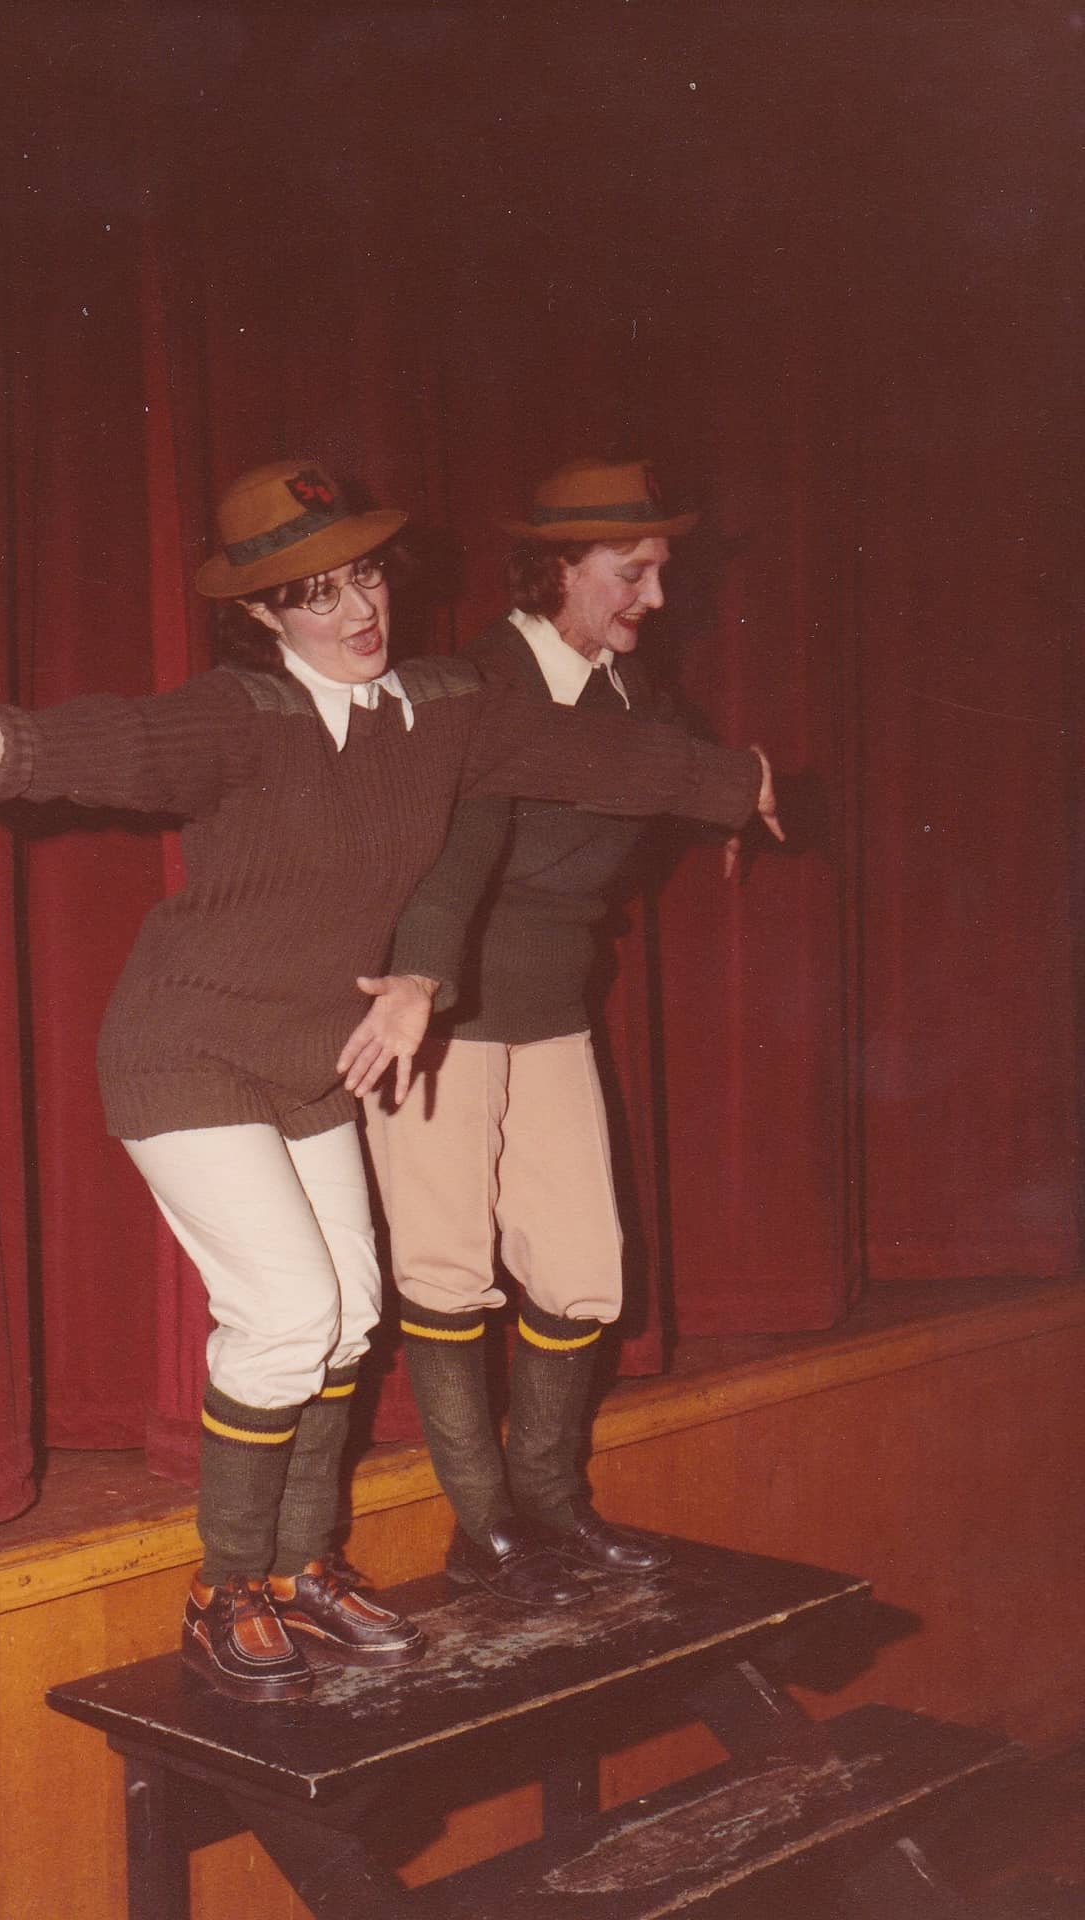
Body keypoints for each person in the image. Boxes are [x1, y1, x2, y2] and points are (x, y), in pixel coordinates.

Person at [0, 457, 775, 1703]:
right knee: (282, 1312)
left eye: (364, 577)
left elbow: (584, 754)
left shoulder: (443, 706)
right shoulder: (241, 716)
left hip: (309, 1059)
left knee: (349, 1316)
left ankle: (303, 1564)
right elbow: (130, 743)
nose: (355, 610)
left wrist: (736, 784)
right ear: (264, 615)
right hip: (186, 1050)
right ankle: (226, 1590)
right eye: (315, 594)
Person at [359, 458, 782, 1608]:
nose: (655, 597)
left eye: (660, 572)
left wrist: (723, 807)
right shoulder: (475, 683)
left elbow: (660, 779)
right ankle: (485, 1526)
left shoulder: (638, 695)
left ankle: (549, 1500)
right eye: (630, 572)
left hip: (550, 1007)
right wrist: (418, 986)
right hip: (438, 1006)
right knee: (445, 1268)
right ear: (556, 567)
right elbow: (454, 864)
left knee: (583, 1268)